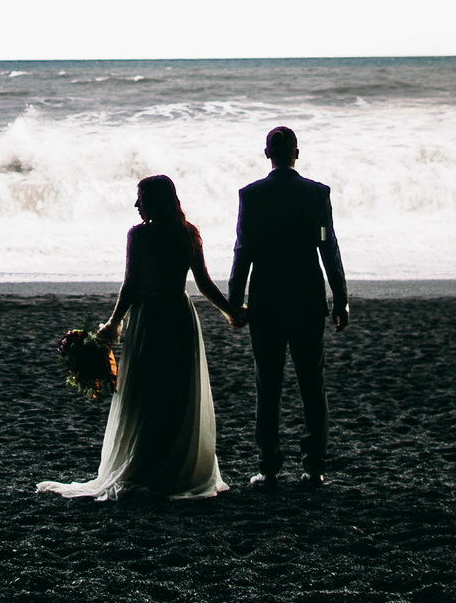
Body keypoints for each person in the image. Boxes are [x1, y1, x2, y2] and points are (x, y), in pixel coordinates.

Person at [37, 174, 238, 500]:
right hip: (179, 317)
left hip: (149, 319)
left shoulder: (139, 236)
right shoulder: (188, 234)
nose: (135, 205)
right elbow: (204, 284)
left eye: (140, 198)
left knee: (147, 394)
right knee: (175, 394)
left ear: (154, 200)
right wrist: (230, 311)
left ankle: (145, 463)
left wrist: (114, 323)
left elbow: (130, 285)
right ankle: (174, 467)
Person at [228, 124, 349, 486]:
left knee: (268, 384)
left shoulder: (252, 195)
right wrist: (340, 298)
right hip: (308, 297)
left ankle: (268, 466)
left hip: (266, 298)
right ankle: (314, 466)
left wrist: (236, 301)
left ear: (267, 154)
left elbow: (243, 249)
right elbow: (327, 244)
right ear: (297, 153)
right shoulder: (316, 194)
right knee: (312, 382)